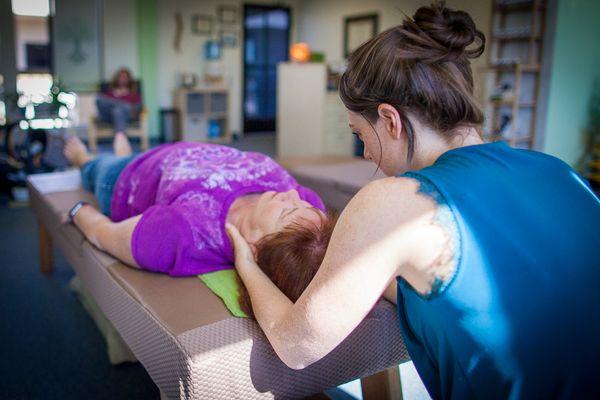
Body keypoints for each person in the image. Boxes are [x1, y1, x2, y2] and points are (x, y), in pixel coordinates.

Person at [226, 2, 600, 399]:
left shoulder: (397, 201)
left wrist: (245, 262)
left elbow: (295, 347)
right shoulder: (558, 171)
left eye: (359, 134)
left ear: (390, 120)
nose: (367, 154)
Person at [62, 133, 329, 282]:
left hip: (125, 178)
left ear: (256, 248)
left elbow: (101, 232)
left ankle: (84, 158)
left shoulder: (183, 233)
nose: (293, 194)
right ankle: (125, 151)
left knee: (97, 166)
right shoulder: (310, 219)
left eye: (287, 210)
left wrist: (76, 211)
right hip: (174, 152)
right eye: (301, 203)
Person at [96, 68, 142, 136]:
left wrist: (125, 95)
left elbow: (137, 108)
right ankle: (120, 139)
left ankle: (120, 137)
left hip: (127, 116)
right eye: (120, 77)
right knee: (99, 97)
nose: (122, 79)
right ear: (117, 78)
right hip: (108, 116)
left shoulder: (133, 94)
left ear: (129, 79)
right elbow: (101, 103)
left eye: (125, 77)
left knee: (117, 110)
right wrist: (116, 97)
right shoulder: (110, 92)